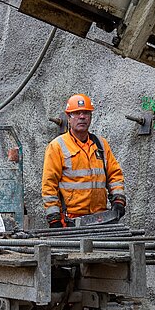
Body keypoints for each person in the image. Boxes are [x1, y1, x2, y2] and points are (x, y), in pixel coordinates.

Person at [41, 94, 125, 228]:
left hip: (101, 219)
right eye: (76, 113)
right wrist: (54, 218)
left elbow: (115, 175)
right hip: (71, 221)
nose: (82, 117)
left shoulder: (101, 145)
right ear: (68, 118)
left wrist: (118, 200)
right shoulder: (57, 146)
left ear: (90, 117)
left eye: (86, 113)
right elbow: (49, 185)